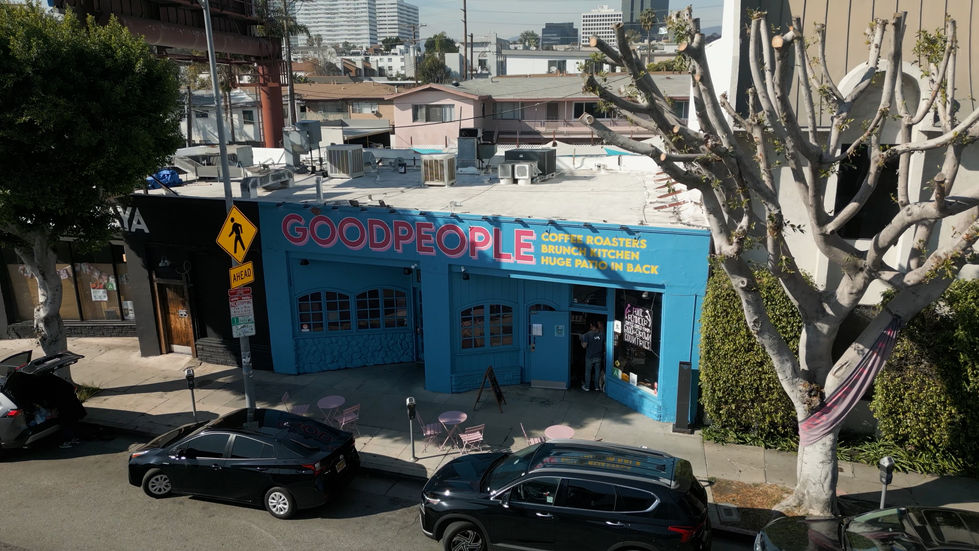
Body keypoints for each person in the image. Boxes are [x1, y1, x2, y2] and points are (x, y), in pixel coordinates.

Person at [579, 320, 604, 392]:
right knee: (597, 372)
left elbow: (584, 346)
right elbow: (604, 344)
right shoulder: (602, 334)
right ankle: (597, 387)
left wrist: (581, 339)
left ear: (591, 325)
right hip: (598, 356)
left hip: (589, 357)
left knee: (588, 372)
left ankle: (587, 387)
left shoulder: (588, 334)